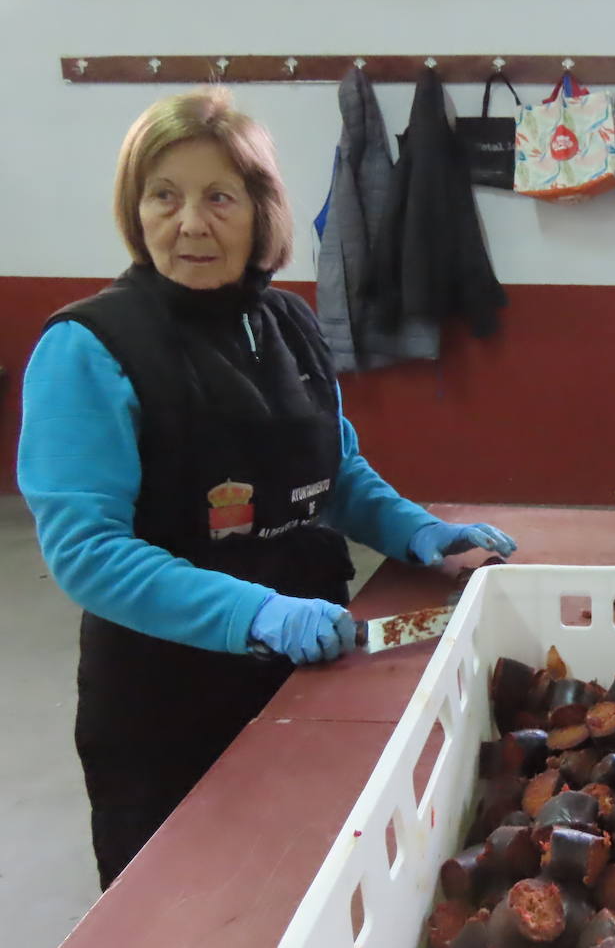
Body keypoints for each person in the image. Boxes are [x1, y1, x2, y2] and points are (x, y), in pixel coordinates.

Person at [16, 87, 517, 890]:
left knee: (314, 888)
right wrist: (254, 613)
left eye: (219, 196)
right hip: (167, 699)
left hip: (312, 667)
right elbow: (88, 553)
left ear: (260, 210)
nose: (190, 223)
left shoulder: (288, 322)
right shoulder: (89, 346)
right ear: (133, 209)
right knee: (199, 905)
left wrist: (422, 532)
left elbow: (335, 473)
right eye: (163, 196)